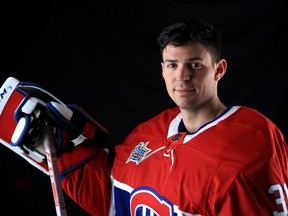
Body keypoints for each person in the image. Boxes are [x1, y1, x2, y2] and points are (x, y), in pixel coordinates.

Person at [1, 19, 288, 215]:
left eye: (195, 64)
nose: (182, 76)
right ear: (162, 69)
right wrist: (60, 152)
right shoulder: (152, 131)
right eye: (173, 64)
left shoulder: (248, 143)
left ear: (219, 69)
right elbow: (113, 199)